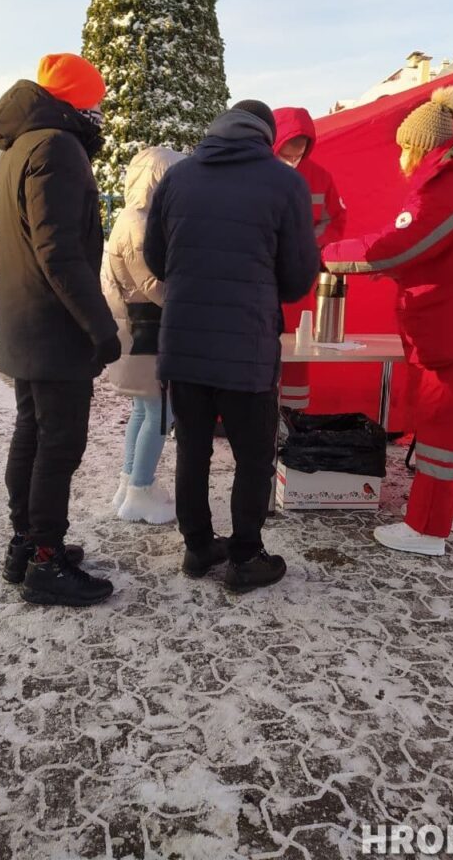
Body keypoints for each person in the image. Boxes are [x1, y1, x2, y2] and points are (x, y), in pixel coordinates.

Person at [323, 86, 453, 557]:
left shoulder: (450, 187)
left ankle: (427, 529)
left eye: (403, 149)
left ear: (419, 146)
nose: (400, 159)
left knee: (440, 427)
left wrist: (328, 255)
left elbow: (400, 246)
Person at [145, 100, 318, 591]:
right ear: (266, 135)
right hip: (248, 346)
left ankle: (197, 548)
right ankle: (245, 556)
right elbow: (298, 277)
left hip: (183, 341)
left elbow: (156, 258)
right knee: (254, 456)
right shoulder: (285, 183)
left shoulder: (177, 179)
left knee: (193, 449)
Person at [0, 52, 121, 606]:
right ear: (78, 101)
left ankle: (26, 543)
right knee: (58, 443)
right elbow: (61, 252)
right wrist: (99, 324)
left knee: (33, 433)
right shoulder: (59, 148)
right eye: (96, 102)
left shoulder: (17, 144)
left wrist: (22, 264)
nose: (101, 113)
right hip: (55, 324)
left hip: (23, 317)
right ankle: (45, 559)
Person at [102, 146, 184, 524]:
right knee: (160, 411)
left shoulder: (133, 217)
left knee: (143, 409)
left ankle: (130, 483)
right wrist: (191, 297)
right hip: (146, 330)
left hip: (135, 330)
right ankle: (141, 488)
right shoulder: (139, 222)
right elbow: (153, 285)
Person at [273, 107, 346, 410]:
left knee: (298, 350)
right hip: (260, 276)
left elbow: (335, 220)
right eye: (287, 155)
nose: (292, 161)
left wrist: (307, 247)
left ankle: (294, 419)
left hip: (299, 278)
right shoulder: (257, 173)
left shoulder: (320, 177)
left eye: (298, 155)